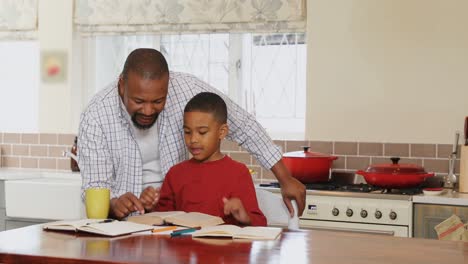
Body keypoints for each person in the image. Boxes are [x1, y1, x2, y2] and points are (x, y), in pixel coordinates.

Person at [78, 48, 305, 220]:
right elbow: (95, 187)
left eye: (158, 101)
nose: (148, 111)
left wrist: (285, 178)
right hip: (124, 226)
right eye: (139, 101)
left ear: (168, 86)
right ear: (121, 86)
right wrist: (113, 203)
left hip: (175, 224)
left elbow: (242, 124)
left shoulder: (185, 89)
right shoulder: (96, 115)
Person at [150, 92, 266, 226]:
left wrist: (245, 216)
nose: (193, 139)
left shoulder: (238, 173)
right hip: (183, 246)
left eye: (202, 132)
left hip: (225, 246)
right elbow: (161, 220)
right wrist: (150, 206)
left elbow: (260, 224)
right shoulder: (175, 174)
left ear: (222, 132)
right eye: (187, 132)